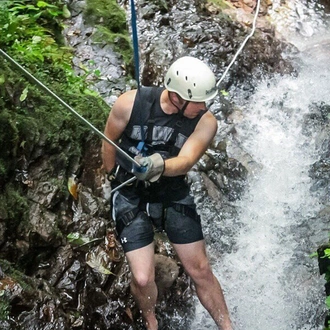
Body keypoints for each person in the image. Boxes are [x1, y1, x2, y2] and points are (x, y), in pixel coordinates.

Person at [102, 56, 232, 330]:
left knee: (199, 269)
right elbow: (109, 139)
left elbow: (186, 161)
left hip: (172, 191)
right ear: (176, 97)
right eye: (197, 101)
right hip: (130, 192)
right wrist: (112, 176)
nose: (203, 107)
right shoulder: (130, 104)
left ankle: (227, 326)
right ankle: (151, 321)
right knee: (141, 277)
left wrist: (159, 165)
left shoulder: (205, 122)